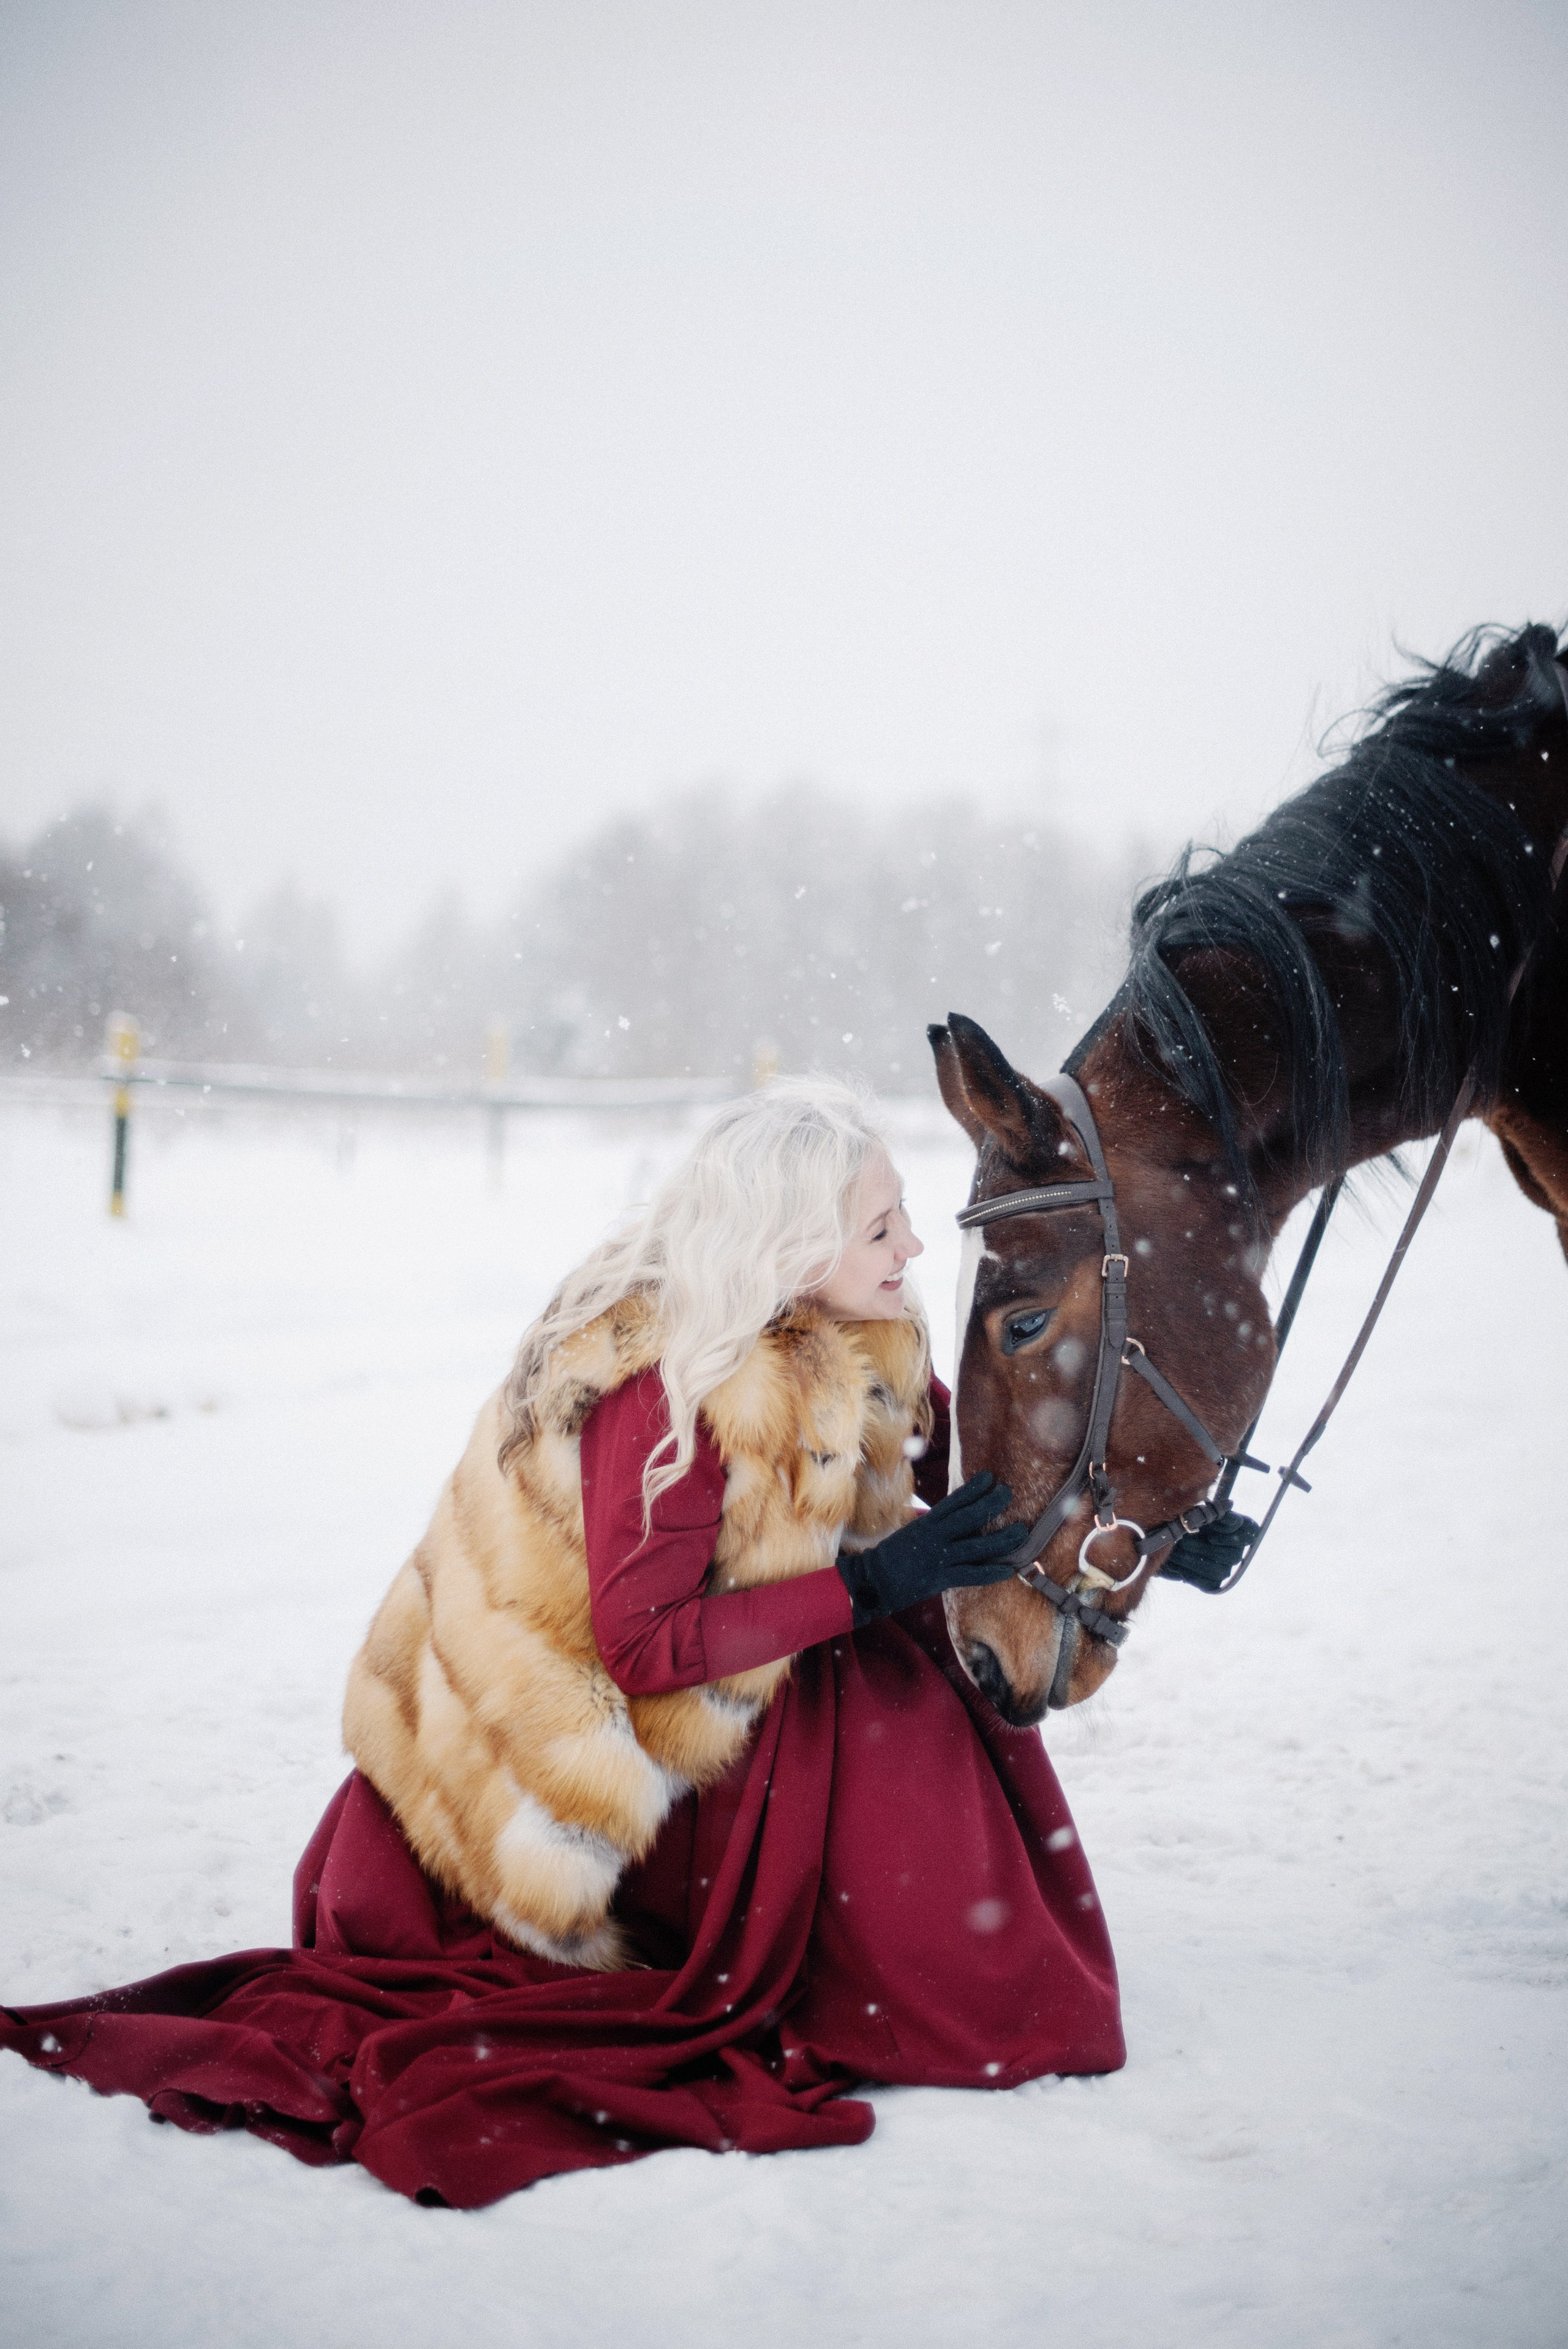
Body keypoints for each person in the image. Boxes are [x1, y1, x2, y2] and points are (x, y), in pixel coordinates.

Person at [1, 1080, 1124, 2206]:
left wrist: (1143, 1517)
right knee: (904, 1780)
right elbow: (646, 1648)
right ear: (788, 1249)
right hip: (623, 1730)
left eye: (902, 1214)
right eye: (882, 1226)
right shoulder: (665, 1393)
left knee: (920, 1698)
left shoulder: (860, 1319)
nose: (914, 1243)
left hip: (769, 1646)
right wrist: (875, 1580)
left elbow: (972, 1469)